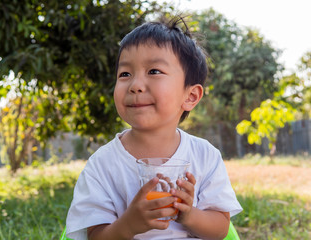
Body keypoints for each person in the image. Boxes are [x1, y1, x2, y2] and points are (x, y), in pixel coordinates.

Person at [66, 16, 242, 240]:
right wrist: (129, 224)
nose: (135, 85)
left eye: (154, 71)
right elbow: (95, 236)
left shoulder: (205, 156)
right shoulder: (102, 165)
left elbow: (221, 230)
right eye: (125, 74)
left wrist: (189, 215)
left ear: (190, 96)